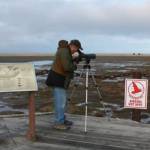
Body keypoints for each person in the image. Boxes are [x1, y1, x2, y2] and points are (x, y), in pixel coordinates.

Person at [46, 39, 83, 130]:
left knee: (61, 101)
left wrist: (73, 58)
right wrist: (74, 63)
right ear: (72, 46)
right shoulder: (64, 51)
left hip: (59, 78)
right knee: (60, 103)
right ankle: (59, 122)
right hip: (58, 79)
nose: (76, 51)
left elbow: (65, 63)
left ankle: (61, 119)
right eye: (76, 48)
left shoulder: (64, 50)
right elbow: (67, 67)